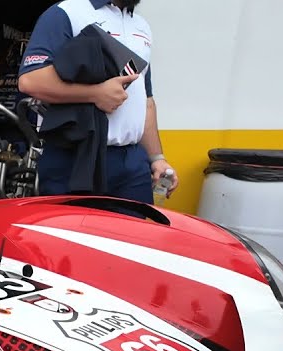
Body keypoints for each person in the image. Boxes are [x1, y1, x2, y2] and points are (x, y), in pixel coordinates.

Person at [17, 0, 177, 204]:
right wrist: (95, 93)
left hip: (132, 163)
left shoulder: (141, 26)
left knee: (134, 235)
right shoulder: (66, 12)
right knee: (72, 235)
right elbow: (30, 80)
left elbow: (146, 100)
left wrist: (157, 159)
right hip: (76, 156)